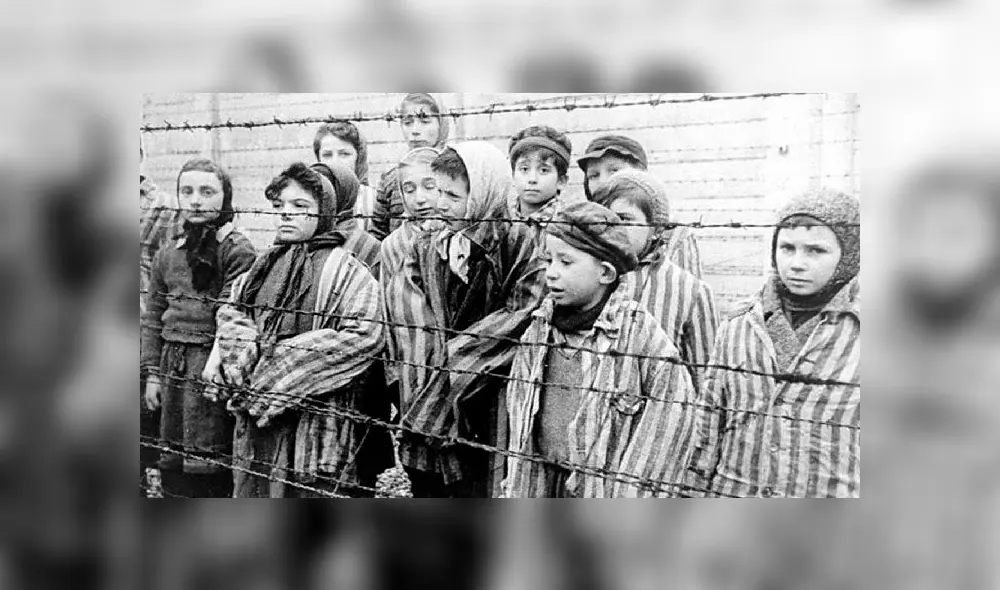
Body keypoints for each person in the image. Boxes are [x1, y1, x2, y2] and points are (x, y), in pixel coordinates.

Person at [206, 162, 394, 497]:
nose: (286, 214)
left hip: (316, 416)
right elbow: (232, 309)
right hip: (259, 416)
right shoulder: (264, 264)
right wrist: (245, 351)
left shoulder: (347, 271)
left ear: (325, 211)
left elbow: (365, 334)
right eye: (280, 205)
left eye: (300, 206)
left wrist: (283, 365)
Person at [502, 201, 698, 497]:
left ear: (605, 273)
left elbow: (672, 412)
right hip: (541, 482)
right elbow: (519, 410)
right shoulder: (539, 329)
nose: (551, 273)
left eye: (565, 262)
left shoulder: (637, 332)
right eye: (549, 260)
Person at [392, 142, 546, 497]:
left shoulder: (520, 242)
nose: (440, 203)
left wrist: (454, 358)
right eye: (438, 191)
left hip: (493, 384)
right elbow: (412, 313)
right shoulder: (428, 244)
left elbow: (522, 311)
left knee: (487, 480)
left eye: (453, 195)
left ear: (483, 193)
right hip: (434, 385)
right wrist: (431, 370)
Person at [686, 188, 861, 498]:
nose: (797, 263)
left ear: (849, 255)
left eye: (816, 251)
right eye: (787, 248)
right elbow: (708, 424)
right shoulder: (739, 324)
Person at [140, 158, 257, 497]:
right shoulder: (168, 252)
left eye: (207, 192)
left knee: (211, 462)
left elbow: (233, 314)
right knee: (174, 461)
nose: (195, 200)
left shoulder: (236, 250)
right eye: (187, 191)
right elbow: (154, 315)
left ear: (225, 196)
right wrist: (153, 374)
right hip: (172, 364)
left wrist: (218, 366)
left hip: (211, 366)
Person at [591, 169, 718, 391]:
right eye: (606, 219)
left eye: (624, 219)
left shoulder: (689, 291)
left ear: (657, 229)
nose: (613, 229)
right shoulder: (587, 277)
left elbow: (705, 383)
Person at [578, 134, 702, 277]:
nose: (603, 181)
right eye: (594, 175)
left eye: (614, 170)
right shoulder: (582, 227)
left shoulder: (676, 234)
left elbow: (687, 287)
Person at [379, 147, 441, 413]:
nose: (420, 198)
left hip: (448, 361)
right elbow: (386, 313)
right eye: (410, 189)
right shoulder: (392, 245)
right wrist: (392, 369)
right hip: (409, 362)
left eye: (429, 186)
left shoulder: (454, 237)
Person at [371, 93, 451, 240]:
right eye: (407, 122)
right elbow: (378, 234)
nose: (415, 130)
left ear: (441, 124)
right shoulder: (391, 178)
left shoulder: (457, 172)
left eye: (425, 121)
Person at [308, 162, 381, 277]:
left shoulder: (365, 245)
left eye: (325, 192)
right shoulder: (296, 237)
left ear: (344, 195)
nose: (318, 200)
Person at [312, 122, 378, 233]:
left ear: (358, 158)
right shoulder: (309, 198)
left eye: (344, 154)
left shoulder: (374, 200)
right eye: (327, 155)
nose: (335, 162)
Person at [507, 125, 578, 223]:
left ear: (561, 181)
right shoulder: (498, 221)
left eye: (543, 170)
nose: (532, 179)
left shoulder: (570, 223)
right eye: (524, 169)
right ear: (513, 176)